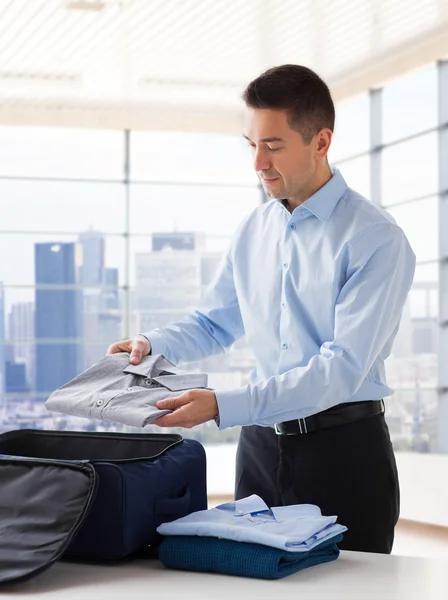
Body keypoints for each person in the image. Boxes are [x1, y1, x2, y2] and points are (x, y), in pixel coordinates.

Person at [107, 64, 416, 554]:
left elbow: (341, 369)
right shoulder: (254, 229)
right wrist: (153, 344)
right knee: (253, 578)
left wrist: (223, 405)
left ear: (320, 142)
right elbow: (214, 323)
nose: (258, 163)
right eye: (251, 145)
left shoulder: (375, 239)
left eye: (273, 145)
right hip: (259, 449)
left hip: (343, 451)